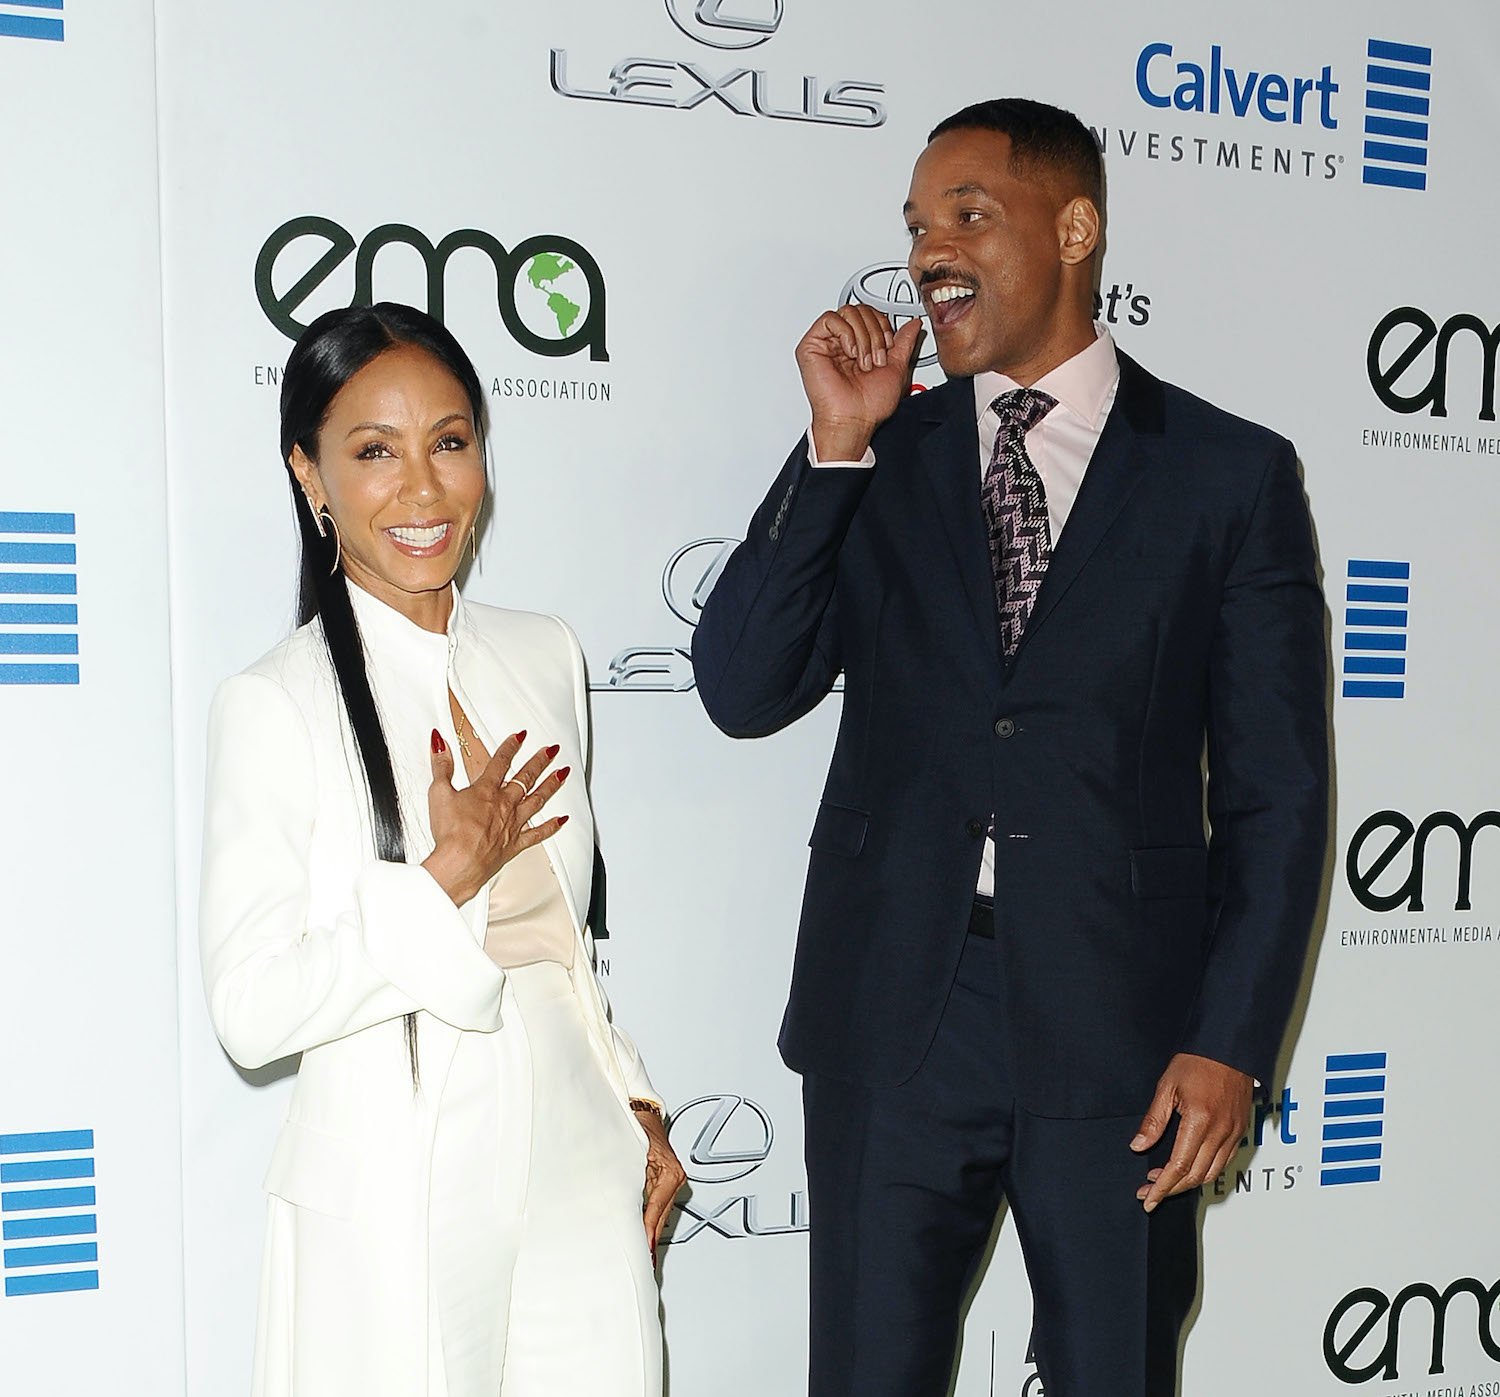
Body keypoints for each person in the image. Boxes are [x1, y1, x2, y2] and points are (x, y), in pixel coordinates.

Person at [691, 98, 1328, 1397]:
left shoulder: (1228, 477)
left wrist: (1232, 1038)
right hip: (895, 1016)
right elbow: (744, 689)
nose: (932, 250)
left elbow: (1277, 796)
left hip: (1125, 1030)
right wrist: (835, 448)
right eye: (918, 224)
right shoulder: (880, 451)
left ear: (1076, 227)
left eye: (968, 214)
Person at [199, 302, 684, 1397]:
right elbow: (250, 1008)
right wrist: (443, 879)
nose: (423, 489)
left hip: (574, 1132)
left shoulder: (543, 652)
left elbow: (566, 945)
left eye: (450, 441)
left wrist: (632, 1098)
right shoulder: (277, 701)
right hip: (398, 1159)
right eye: (373, 451)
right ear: (310, 475)